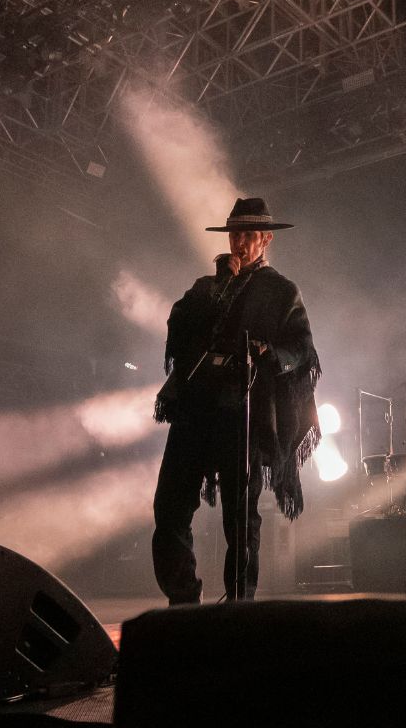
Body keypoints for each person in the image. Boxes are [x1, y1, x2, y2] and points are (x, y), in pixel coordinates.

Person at [152, 197, 322, 604]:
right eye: (234, 234)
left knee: (240, 515)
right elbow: (177, 328)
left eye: (248, 235)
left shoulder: (282, 291)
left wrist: (268, 355)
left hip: (241, 410)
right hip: (195, 409)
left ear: (265, 239)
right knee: (170, 507)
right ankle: (183, 600)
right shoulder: (207, 286)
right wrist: (216, 290)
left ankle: (238, 602)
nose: (239, 243)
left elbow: (302, 350)